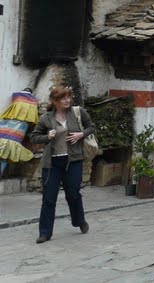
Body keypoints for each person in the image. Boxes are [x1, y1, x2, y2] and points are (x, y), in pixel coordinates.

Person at [29, 85, 94, 243]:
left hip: (73, 161)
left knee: (73, 194)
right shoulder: (46, 118)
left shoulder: (78, 113)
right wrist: (47, 137)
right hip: (52, 163)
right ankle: (45, 233)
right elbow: (34, 137)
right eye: (63, 98)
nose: (67, 100)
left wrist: (81, 134)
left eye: (68, 97)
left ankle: (79, 221)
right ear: (55, 101)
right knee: (49, 199)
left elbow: (91, 127)